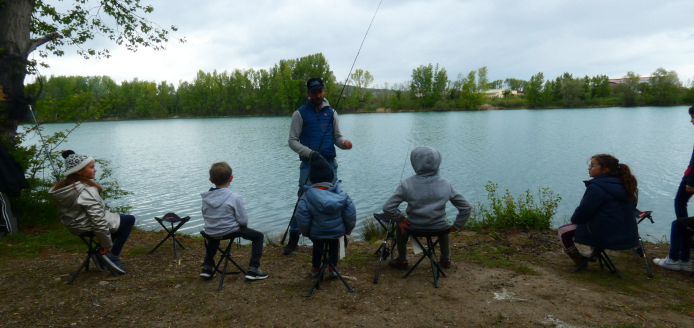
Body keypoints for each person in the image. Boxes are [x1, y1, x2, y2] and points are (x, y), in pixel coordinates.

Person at [285, 77, 353, 255]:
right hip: (309, 166)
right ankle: (293, 241)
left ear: (324, 91)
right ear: (308, 93)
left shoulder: (332, 112)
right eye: (314, 92)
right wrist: (310, 153)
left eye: (320, 91)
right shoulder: (299, 114)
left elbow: (337, 137)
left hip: (330, 165)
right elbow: (292, 141)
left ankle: (339, 241)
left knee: (335, 199)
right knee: (302, 201)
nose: (318, 95)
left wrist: (344, 143)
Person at [382, 146, 472, 270]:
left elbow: (388, 208)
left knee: (399, 225)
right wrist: (457, 225)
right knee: (444, 223)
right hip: (438, 228)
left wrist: (401, 220)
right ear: (438, 162)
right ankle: (446, 258)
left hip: (413, 228)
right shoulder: (446, 184)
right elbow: (466, 207)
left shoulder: (406, 184)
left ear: (415, 162)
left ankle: (402, 260)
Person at [49, 150, 135, 274]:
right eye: (92, 167)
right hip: (87, 226)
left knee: (118, 219)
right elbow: (98, 220)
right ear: (79, 171)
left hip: (75, 226)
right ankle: (111, 256)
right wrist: (106, 244)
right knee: (129, 219)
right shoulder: (87, 191)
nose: (95, 170)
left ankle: (99, 254)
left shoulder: (63, 188)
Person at [557, 154, 639, 266]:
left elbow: (583, 212)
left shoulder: (596, 187)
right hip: (627, 234)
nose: (589, 168)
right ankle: (593, 253)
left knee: (563, 231)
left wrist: (574, 220)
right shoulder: (625, 184)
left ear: (605, 170)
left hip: (606, 235)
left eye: (592, 166)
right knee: (598, 218)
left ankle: (580, 261)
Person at [199, 162, 268, 280]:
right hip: (230, 231)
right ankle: (253, 269)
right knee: (258, 236)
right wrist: (240, 226)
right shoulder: (234, 197)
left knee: (215, 234)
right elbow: (243, 220)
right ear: (231, 178)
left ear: (211, 180)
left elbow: (205, 214)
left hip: (211, 233)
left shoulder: (206, 198)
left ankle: (207, 267)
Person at [294, 154, 356, 278]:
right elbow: (350, 213)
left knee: (318, 246)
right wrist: (348, 230)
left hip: (317, 233)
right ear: (331, 176)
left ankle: (315, 268)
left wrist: (305, 232)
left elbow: (301, 217)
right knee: (334, 243)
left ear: (312, 178)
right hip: (337, 232)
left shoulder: (306, 196)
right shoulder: (341, 194)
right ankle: (333, 268)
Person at [653, 105, 694, 272]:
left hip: (691, 177)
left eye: (693, 116)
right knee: (681, 211)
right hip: (690, 175)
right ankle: (684, 259)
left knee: (679, 209)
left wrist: (690, 181)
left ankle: (676, 259)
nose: (691, 120)